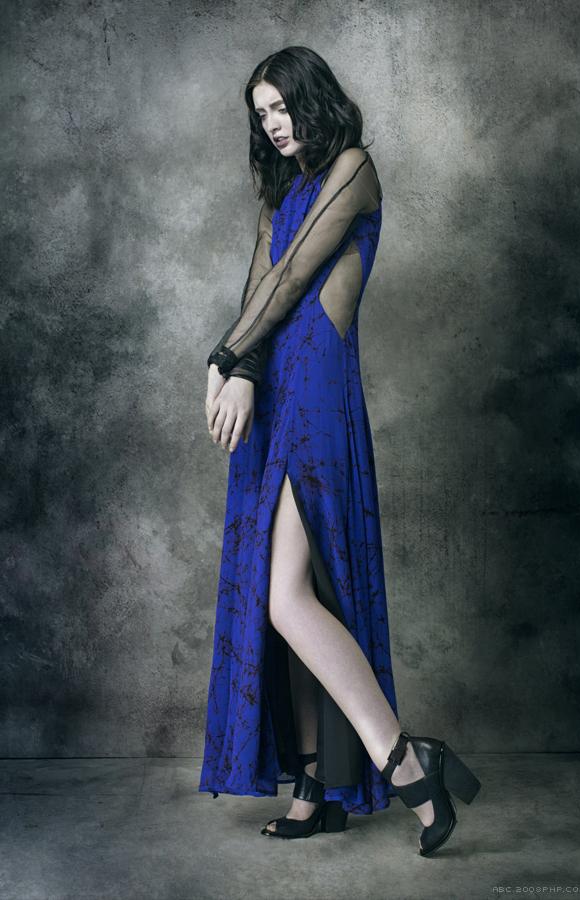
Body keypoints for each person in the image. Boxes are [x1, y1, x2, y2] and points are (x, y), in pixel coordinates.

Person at [200, 46, 481, 856]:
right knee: (290, 598)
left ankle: (408, 762)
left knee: (289, 599)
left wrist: (227, 356)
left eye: (281, 106)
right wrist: (238, 371)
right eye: (261, 114)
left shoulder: (353, 169)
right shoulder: (281, 190)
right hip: (274, 391)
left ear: (312, 98)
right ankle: (317, 788)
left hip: (317, 389)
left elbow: (293, 279)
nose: (272, 124)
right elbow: (260, 288)